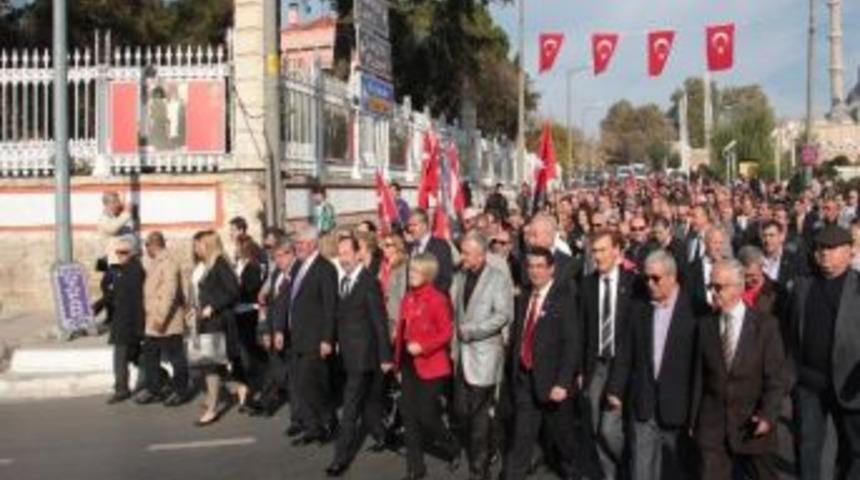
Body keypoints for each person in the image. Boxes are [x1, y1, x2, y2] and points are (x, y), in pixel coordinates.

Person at [606, 250, 699, 480]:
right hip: (644, 403)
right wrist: (616, 389)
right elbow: (625, 352)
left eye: (655, 278)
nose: (649, 283)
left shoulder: (695, 310)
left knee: (678, 471)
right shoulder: (639, 308)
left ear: (672, 277)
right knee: (641, 471)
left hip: (678, 409)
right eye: (646, 278)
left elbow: (700, 366)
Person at [692, 260, 786, 480]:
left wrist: (767, 416)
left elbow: (775, 379)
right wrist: (694, 421)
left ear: (738, 287)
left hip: (751, 427)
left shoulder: (765, 326)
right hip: (713, 428)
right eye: (710, 287)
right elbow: (698, 377)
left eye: (719, 287)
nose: (713, 293)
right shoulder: (705, 325)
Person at [504, 247, 583, 480]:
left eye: (540, 267)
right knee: (521, 438)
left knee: (563, 441)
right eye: (531, 266)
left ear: (551, 269)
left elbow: (572, 343)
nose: (535, 271)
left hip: (552, 384)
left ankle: (575, 474)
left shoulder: (563, 299)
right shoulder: (524, 296)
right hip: (525, 379)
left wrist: (563, 382)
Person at [790, 225, 860, 480]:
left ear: (849, 251)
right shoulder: (803, 286)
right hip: (810, 382)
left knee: (852, 452)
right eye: (820, 248)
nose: (824, 253)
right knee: (807, 448)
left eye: (831, 248)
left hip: (850, 387)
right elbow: (790, 330)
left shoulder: (857, 286)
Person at [326, 235, 393, 477]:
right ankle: (383, 435)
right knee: (370, 403)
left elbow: (379, 322)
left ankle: (340, 458)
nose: (342, 258)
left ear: (357, 254)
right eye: (340, 254)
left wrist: (385, 357)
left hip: (364, 357)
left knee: (350, 408)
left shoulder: (368, 282)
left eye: (346, 253)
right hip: (347, 355)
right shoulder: (342, 281)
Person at [451, 233, 514, 480]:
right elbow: (456, 312)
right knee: (461, 412)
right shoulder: (460, 276)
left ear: (480, 254)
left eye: (466, 253)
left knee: (478, 417)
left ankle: (479, 470)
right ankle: (494, 441)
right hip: (461, 357)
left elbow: (503, 315)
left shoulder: (497, 279)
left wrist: (472, 331)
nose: (462, 257)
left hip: (485, 356)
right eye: (462, 252)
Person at [393, 253, 460, 480]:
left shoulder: (437, 299)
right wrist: (397, 364)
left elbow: (446, 332)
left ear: (428, 273)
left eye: (415, 271)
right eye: (410, 270)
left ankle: (452, 446)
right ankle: (416, 468)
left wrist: (423, 346)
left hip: (430, 364)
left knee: (426, 415)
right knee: (409, 416)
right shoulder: (407, 298)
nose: (411, 274)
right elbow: (401, 333)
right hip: (408, 364)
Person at [580, 229, 637, 480]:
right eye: (594, 251)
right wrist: (579, 370)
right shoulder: (587, 285)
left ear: (617, 251)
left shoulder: (633, 283)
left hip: (622, 364)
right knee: (595, 427)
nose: (598, 256)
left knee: (609, 428)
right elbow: (582, 329)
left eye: (603, 250)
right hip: (596, 365)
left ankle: (630, 466)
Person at [289, 225, 339, 445]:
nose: (297, 247)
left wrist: (327, 339)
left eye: (300, 243)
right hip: (299, 337)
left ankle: (328, 423)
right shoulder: (300, 267)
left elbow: (330, 307)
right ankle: (313, 428)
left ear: (312, 244)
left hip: (315, 338)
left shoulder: (325, 268)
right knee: (303, 386)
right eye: (296, 243)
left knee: (315, 385)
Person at [190, 231, 240, 426]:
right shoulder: (209, 265)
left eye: (198, 245)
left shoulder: (220, 263)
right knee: (211, 364)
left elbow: (233, 291)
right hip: (208, 321)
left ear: (208, 244)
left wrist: (213, 306)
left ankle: (212, 409)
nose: (195, 249)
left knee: (211, 365)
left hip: (218, 322)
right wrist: (196, 310)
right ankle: (238, 389)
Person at [137, 232, 188, 406]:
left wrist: (160, 318)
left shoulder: (168, 262)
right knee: (150, 356)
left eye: (146, 245)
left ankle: (180, 391)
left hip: (167, 321)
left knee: (176, 357)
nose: (146, 249)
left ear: (153, 245)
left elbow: (169, 293)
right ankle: (154, 388)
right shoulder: (156, 262)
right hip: (153, 320)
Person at [105, 238, 146, 405]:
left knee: (121, 357)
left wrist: (139, 327)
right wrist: (98, 306)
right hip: (121, 320)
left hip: (128, 322)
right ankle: (159, 376)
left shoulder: (135, 271)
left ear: (133, 253)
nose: (120, 255)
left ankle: (121, 389)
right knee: (135, 356)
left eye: (124, 252)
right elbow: (114, 294)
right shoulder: (123, 270)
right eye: (118, 252)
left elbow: (137, 301)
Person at [232, 234, 267, 413]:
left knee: (249, 354)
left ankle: (256, 389)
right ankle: (248, 393)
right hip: (239, 313)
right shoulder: (240, 265)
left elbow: (251, 289)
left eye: (237, 246)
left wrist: (236, 287)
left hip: (248, 312)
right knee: (245, 353)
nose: (235, 249)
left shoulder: (252, 267)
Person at [687, 226, 732, 317]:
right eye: (715, 243)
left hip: (725, 315)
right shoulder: (692, 268)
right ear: (706, 243)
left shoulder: (729, 265)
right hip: (700, 316)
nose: (718, 247)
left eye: (720, 243)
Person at [406, 208, 454, 292]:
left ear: (424, 225)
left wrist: (427, 295)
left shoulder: (440, 246)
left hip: (433, 297)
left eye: (414, 225)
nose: (410, 229)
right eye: (409, 225)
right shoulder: (409, 248)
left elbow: (445, 279)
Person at [760, 220, 807, 294]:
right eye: (764, 236)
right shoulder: (758, 260)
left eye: (771, 235)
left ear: (782, 237)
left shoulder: (795, 261)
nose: (767, 239)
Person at [737, 246, 785, 318]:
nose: (747, 280)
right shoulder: (733, 288)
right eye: (744, 275)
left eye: (752, 275)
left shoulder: (776, 292)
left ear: (761, 268)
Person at [98, 191, 137, 265]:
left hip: (121, 261)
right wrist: (127, 213)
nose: (118, 205)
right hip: (110, 261)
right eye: (116, 202)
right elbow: (112, 228)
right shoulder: (104, 219)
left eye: (118, 202)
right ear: (109, 204)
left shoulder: (116, 217)